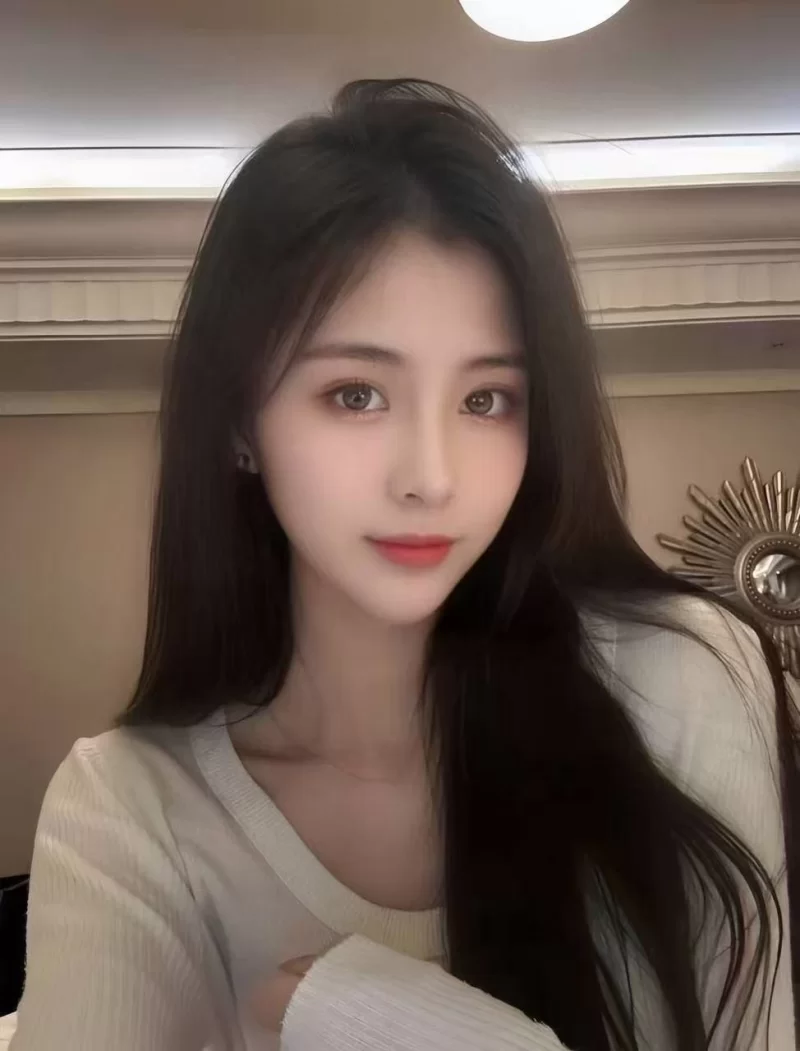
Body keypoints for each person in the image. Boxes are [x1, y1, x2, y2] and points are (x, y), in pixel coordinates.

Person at [8, 79, 797, 1051]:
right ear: (239, 424)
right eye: (355, 394)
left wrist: (361, 1009)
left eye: (485, 401)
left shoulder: (682, 674)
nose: (431, 477)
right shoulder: (137, 813)